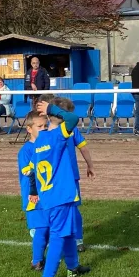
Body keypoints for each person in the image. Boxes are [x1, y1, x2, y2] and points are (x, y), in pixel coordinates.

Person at [31, 98, 90, 277]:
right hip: (61, 197)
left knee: (69, 233)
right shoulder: (58, 135)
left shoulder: (41, 139)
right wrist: (51, 108)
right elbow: (73, 118)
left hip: (51, 197)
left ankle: (73, 267)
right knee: (57, 237)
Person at [41, 94, 96, 253]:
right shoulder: (71, 130)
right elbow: (83, 148)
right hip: (71, 177)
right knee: (72, 209)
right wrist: (90, 165)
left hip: (52, 178)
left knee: (54, 208)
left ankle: (55, 238)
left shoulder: (46, 134)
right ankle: (77, 239)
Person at [17, 111, 50, 271]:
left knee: (51, 229)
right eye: (39, 126)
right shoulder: (26, 150)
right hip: (34, 196)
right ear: (29, 129)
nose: (43, 129)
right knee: (41, 229)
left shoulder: (48, 145)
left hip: (49, 194)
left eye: (46, 126)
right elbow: (28, 172)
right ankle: (37, 261)